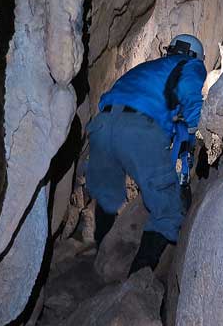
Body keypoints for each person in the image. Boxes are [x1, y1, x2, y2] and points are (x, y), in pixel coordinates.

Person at [86, 34, 207, 274]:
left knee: (108, 193)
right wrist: (202, 127)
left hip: (103, 124)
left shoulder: (148, 69)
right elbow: (192, 104)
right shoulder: (188, 65)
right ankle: (137, 281)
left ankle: (100, 255)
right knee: (169, 212)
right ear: (194, 56)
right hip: (138, 129)